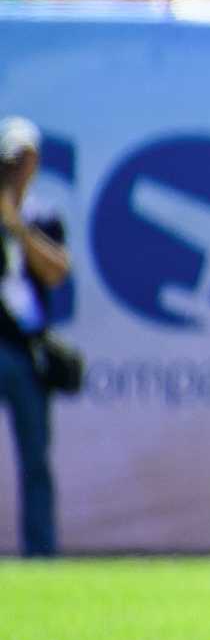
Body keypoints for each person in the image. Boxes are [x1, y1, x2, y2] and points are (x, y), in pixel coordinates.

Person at [0, 118, 66, 558]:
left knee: (35, 460)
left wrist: (17, 227)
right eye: (8, 160)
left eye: (22, 159)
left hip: (24, 352)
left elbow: (56, 271)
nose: (15, 168)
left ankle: (41, 554)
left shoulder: (43, 216)